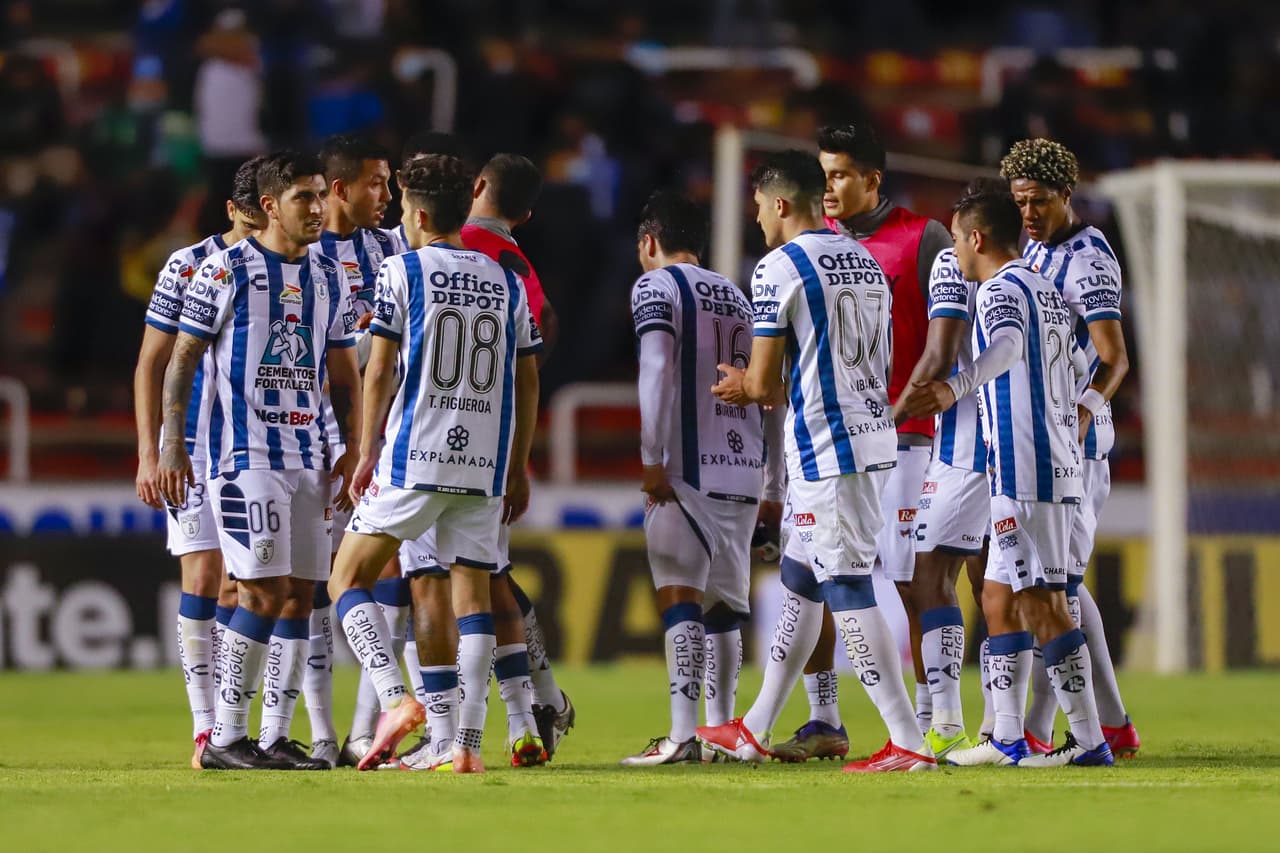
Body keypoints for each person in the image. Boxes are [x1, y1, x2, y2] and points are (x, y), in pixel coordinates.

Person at [699, 150, 935, 773]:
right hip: (868, 433)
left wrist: (738, 384)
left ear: (779, 204)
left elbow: (764, 380)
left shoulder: (780, 267)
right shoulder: (860, 258)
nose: (754, 219)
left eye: (756, 206)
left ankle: (908, 739)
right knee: (801, 581)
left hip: (829, 449)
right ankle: (754, 728)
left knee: (847, 585)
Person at [327, 153, 542, 774]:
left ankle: (395, 699)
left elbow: (379, 370)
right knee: (472, 596)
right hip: (483, 461)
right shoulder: (503, 278)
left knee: (348, 578)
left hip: (415, 455)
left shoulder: (403, 270)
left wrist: (367, 452)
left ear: (418, 214)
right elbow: (527, 381)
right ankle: (466, 747)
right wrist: (518, 464)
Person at [157, 150, 361, 770]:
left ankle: (271, 736)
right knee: (261, 591)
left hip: (309, 456)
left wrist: (354, 449)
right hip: (245, 457)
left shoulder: (329, 277)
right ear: (269, 206)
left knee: (302, 593)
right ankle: (223, 735)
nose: (318, 208)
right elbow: (181, 359)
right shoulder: (225, 271)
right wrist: (170, 443)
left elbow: (345, 376)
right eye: (304, 197)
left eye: (322, 195)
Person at [899, 179, 1114, 768]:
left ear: (975, 237)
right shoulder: (1044, 288)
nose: (955, 258)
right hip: (1048, 461)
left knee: (1041, 602)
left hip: (1027, 467)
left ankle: (1091, 742)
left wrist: (953, 387)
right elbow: (1073, 361)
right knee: (997, 596)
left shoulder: (997, 289)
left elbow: (1008, 349)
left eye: (959, 244)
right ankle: (1007, 737)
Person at [771, 123, 953, 762]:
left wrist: (919, 400)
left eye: (841, 174)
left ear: (874, 177)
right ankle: (823, 717)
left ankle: (932, 722)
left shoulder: (923, 238)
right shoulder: (808, 247)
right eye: (821, 175)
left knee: (908, 579)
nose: (828, 188)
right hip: (825, 439)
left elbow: (951, 331)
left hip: (906, 437)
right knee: (815, 573)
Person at [1001, 138, 1139, 758]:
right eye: (1018, 203)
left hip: (1075, 451)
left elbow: (1114, 357)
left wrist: (1083, 413)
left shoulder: (1089, 260)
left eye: (1036, 202)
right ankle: (1112, 723)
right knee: (1066, 588)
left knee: (1052, 591)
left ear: (1065, 194)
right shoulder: (1033, 248)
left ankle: (1038, 728)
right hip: (1046, 445)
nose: (1026, 214)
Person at [619, 191, 766, 766]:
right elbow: (764, 386)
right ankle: (719, 731)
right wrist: (772, 481)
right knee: (725, 606)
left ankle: (682, 735)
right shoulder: (738, 293)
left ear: (649, 243)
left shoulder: (655, 286)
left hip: (685, 470)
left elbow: (656, 368)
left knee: (679, 594)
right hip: (744, 466)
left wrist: (651, 456)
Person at [134, 155, 265, 769]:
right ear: (235, 210)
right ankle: (205, 729)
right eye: (255, 207)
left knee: (250, 584)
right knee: (203, 579)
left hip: (255, 452)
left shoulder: (290, 266)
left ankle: (243, 722)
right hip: (189, 450)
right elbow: (151, 364)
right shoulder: (188, 265)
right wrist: (153, 448)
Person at [461, 153, 573, 760]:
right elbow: (546, 320)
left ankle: (517, 711)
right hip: (493, 432)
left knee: (462, 578)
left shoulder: (465, 241)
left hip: (452, 431)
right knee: (488, 573)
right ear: (525, 213)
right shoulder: (516, 256)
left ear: (475, 187)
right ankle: (543, 699)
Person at [306, 133, 408, 769]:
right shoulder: (298, 250)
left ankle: (365, 728)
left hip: (382, 445)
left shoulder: (394, 247)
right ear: (340, 188)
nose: (387, 195)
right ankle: (319, 731)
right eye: (376, 183)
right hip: (313, 440)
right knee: (312, 585)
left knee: (384, 576)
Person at [886, 246, 989, 761]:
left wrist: (891, 418)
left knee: (929, 578)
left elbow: (940, 354)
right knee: (1009, 590)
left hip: (964, 452)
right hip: (1027, 449)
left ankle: (942, 722)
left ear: (974, 236)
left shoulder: (953, 263)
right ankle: (1009, 728)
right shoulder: (1037, 273)